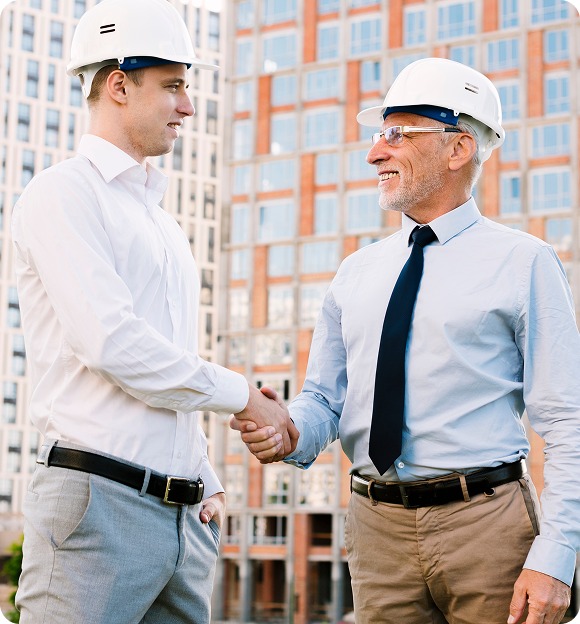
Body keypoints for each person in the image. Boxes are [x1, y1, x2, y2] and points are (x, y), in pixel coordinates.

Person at [231, 58, 579, 624]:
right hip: (376, 531)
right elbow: (323, 400)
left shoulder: (525, 262)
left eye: (398, 135)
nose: (375, 153)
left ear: (458, 148)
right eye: (378, 136)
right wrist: (287, 429)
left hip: (489, 528)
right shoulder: (355, 272)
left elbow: (567, 419)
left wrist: (557, 556)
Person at [12, 0, 289, 622]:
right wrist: (243, 394)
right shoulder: (63, 194)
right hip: (96, 510)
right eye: (173, 87)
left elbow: (168, 360)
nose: (188, 106)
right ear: (118, 85)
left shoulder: (165, 226)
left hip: (183, 521)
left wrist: (200, 470)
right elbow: (114, 345)